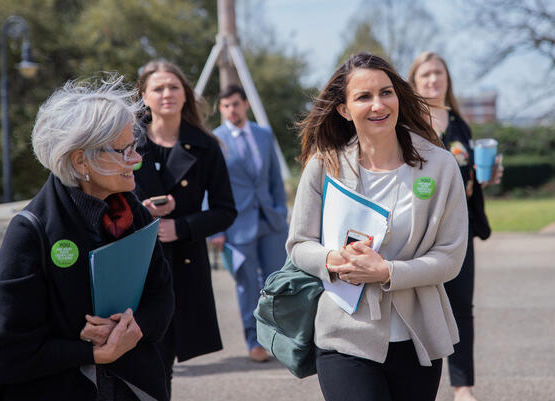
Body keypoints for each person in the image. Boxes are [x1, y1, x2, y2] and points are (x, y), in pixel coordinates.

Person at [0, 74, 174, 401]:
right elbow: (8, 349)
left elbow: (162, 301)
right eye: (123, 151)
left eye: (134, 147)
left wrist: (132, 327)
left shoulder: (135, 214)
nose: (136, 161)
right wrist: (91, 351)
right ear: (81, 161)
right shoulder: (30, 231)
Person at [288, 52, 469, 401]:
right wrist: (333, 259)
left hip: (419, 341)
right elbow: (299, 245)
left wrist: (386, 271)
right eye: (363, 96)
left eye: (386, 92)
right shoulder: (324, 165)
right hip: (344, 336)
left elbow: (450, 257)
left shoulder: (440, 165)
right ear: (344, 109)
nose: (378, 105)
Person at [133, 60, 237, 394]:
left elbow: (225, 210)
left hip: (182, 266)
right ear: (144, 97)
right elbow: (103, 199)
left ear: (185, 94)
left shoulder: (206, 146)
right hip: (132, 264)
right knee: (137, 358)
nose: (167, 94)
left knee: (164, 360)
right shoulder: (124, 143)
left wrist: (182, 227)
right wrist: (141, 211)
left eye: (174, 87)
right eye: (158, 88)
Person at [408, 51, 502, 401]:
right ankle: (417, 384)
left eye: (438, 73)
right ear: (415, 82)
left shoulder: (460, 125)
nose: (433, 80)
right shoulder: (407, 125)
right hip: (419, 231)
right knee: (418, 307)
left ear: (447, 79)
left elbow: (469, 177)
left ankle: (463, 387)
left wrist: (487, 177)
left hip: (458, 231)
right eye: (426, 75)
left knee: (462, 307)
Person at [210, 84, 289, 362]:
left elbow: (274, 178)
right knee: (246, 287)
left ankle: (280, 339)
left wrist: (282, 211)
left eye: (236, 104)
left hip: (272, 221)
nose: (232, 109)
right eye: (226, 105)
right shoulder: (215, 140)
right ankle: (253, 341)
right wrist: (216, 229)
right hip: (236, 225)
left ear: (245, 104)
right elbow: (208, 186)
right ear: (221, 109)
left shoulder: (264, 134)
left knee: (277, 283)